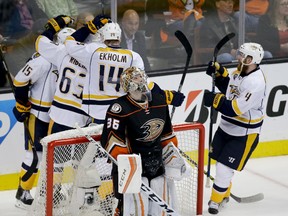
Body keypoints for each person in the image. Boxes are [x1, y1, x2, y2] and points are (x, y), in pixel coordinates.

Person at [101, 66, 188, 215]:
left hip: (157, 164)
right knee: (133, 210)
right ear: (128, 83)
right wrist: (130, 167)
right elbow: (112, 140)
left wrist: (172, 156)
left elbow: (167, 134)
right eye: (136, 77)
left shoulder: (159, 101)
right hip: (133, 168)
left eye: (141, 76)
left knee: (159, 210)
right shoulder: (119, 108)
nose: (141, 79)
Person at [65, 15, 185, 124]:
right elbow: (146, 85)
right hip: (120, 112)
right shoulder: (133, 57)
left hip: (95, 113)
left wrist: (90, 27)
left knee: (97, 147)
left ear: (102, 37)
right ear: (120, 37)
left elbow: (69, 42)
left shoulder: (92, 51)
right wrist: (169, 97)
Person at [203, 42, 267, 214]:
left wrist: (215, 100)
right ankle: (224, 193)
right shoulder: (239, 71)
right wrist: (219, 74)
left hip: (244, 133)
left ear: (252, 59)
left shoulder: (256, 82)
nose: (238, 57)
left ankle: (215, 201)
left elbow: (234, 109)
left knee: (224, 168)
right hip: (225, 127)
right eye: (239, 53)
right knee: (220, 164)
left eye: (242, 55)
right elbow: (230, 91)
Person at [12, 49, 58, 209]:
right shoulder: (43, 60)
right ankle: (22, 193)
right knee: (34, 155)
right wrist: (22, 103)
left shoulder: (66, 58)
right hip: (37, 114)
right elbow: (20, 80)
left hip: (55, 114)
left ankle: (47, 192)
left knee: (52, 156)